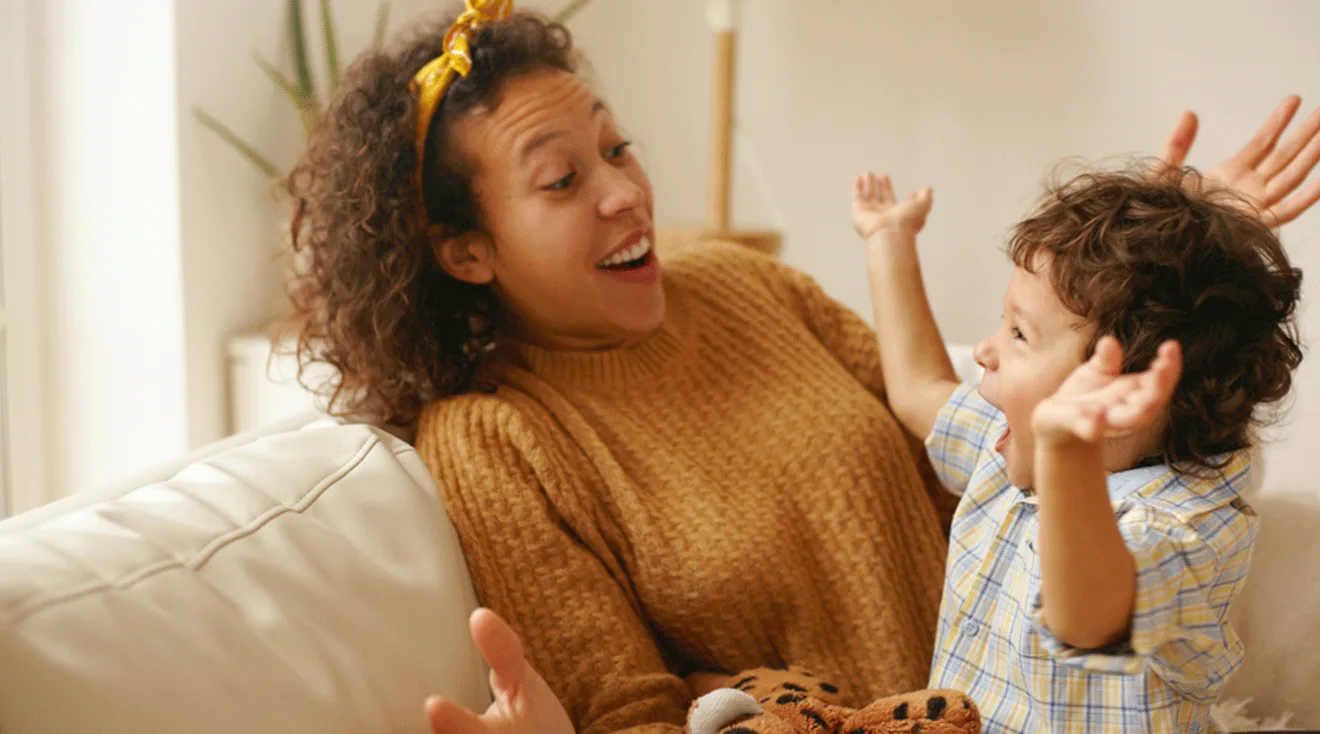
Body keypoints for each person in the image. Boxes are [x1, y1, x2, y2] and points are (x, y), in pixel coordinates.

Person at [281, 1, 1320, 731]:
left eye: (618, 147)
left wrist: (1161, 276)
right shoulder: (496, 437)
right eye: (561, 181)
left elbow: (949, 421)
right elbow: (629, 715)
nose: (625, 193)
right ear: (466, 251)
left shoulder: (741, 285)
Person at [849, 162, 1303, 733]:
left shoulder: (1188, 528)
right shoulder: (1011, 452)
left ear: (1117, 398)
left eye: (1019, 333)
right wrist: (888, 240)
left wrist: (1067, 457)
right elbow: (919, 390)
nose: (985, 351)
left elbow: (1087, 619)